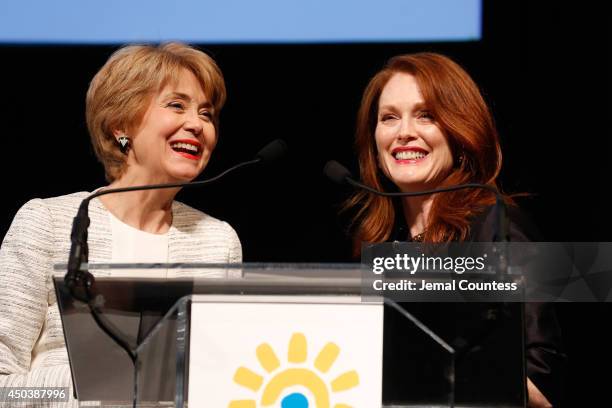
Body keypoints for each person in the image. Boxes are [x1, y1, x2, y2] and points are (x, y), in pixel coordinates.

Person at [0, 43, 242, 400]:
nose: (197, 124)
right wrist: (85, 391)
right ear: (119, 125)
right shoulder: (48, 222)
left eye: (206, 114)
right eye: (177, 105)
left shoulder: (218, 241)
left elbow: (221, 381)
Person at [345, 53, 565, 407]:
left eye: (426, 115)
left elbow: (542, 379)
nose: (404, 132)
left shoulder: (500, 224)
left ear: (461, 129)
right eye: (389, 118)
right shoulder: (377, 239)